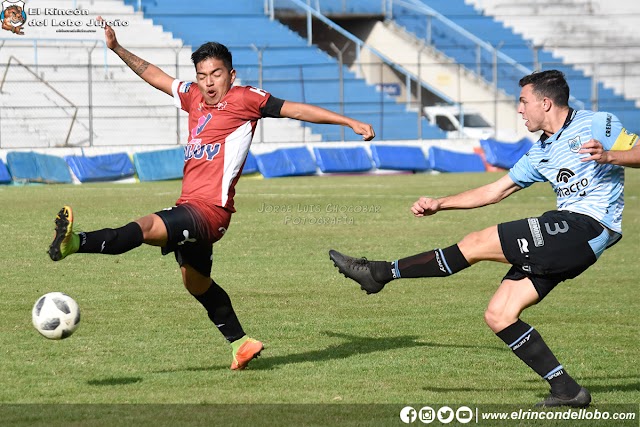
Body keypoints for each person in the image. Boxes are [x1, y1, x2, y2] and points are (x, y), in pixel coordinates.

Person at [48, 17, 375, 371]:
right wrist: (116, 48)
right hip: (190, 207)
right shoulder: (193, 97)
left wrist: (348, 122)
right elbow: (155, 75)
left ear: (230, 75)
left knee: (144, 227)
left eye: (215, 74)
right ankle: (242, 343)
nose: (208, 83)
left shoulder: (247, 99)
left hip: (210, 212)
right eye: (202, 76)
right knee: (196, 283)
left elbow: (295, 109)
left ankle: (75, 243)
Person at [330, 69, 640, 406]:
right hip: (570, 234)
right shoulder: (541, 151)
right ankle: (567, 390)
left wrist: (611, 155)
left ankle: (380, 273)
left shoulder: (597, 124)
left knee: (477, 242)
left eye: (524, 102)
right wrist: (440, 203)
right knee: (499, 314)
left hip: (588, 226)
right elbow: (496, 190)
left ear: (546, 103)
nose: (520, 110)